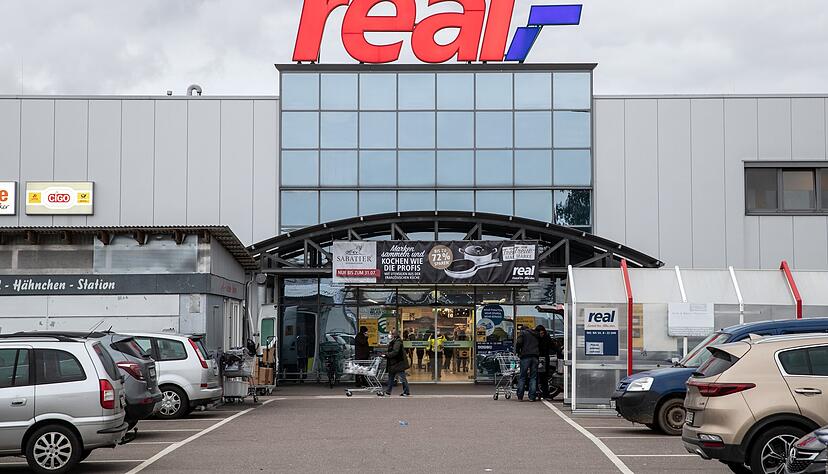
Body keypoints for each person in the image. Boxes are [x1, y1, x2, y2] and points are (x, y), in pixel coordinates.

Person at [515, 325, 539, 401]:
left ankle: (520, 396)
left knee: (522, 377)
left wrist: (518, 352)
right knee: (533, 377)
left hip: (525, 356)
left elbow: (519, 342)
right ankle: (532, 397)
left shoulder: (523, 333)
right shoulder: (536, 333)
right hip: (535, 356)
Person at [384, 328, 410, 396]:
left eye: (391, 333)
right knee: (391, 377)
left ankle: (406, 391)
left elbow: (395, 352)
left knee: (402, 378)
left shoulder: (397, 342)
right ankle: (388, 391)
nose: (389, 335)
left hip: (398, 363)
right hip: (395, 363)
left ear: (394, 335)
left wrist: (387, 355)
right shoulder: (395, 341)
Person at [536, 325, 553, 400]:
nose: (541, 334)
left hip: (543, 358)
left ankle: (544, 393)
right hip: (539, 358)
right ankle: (539, 393)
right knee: (538, 377)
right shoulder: (538, 338)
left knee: (544, 377)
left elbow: (552, 346)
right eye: (540, 333)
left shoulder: (544, 338)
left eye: (542, 333)